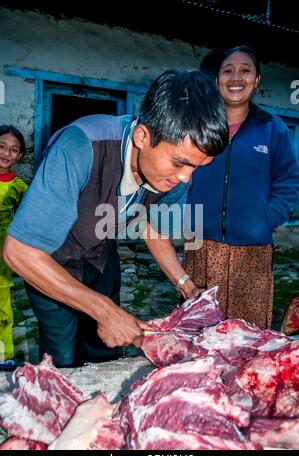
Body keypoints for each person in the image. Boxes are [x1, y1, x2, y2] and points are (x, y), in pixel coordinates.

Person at [3, 70, 228, 367]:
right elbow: (20, 251)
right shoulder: (79, 147)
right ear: (143, 136)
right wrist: (103, 309)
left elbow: (153, 227)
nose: (186, 177)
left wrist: (185, 285)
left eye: (197, 167)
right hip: (50, 262)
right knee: (61, 358)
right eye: (179, 163)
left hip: (101, 258)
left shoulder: (177, 176)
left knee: (106, 355)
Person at [184, 45, 299, 330]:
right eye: (228, 70)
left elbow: (289, 181)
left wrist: (265, 218)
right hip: (201, 246)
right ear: (217, 79)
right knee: (198, 333)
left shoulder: (273, 128)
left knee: (247, 335)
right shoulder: (199, 125)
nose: (236, 77)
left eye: (245, 70)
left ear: (257, 80)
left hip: (253, 252)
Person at [0, 125, 27, 368]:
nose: (6, 153)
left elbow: (27, 222)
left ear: (19, 156)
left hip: (2, 256)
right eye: (2, 146)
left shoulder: (20, 188)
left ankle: (4, 356)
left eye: (14, 150)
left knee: (3, 310)